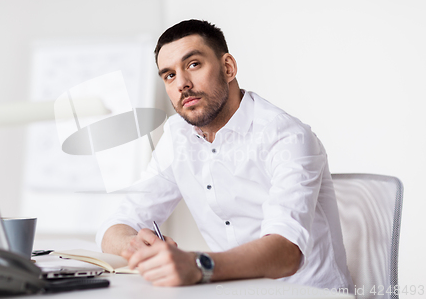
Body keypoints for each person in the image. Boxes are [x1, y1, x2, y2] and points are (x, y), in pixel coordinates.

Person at [96, 19, 353, 290]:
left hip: (307, 295)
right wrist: (134, 245)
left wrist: (197, 265)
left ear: (228, 67)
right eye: (169, 75)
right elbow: (119, 222)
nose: (182, 83)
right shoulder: (177, 136)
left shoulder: (286, 136)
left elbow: (286, 252)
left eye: (193, 64)